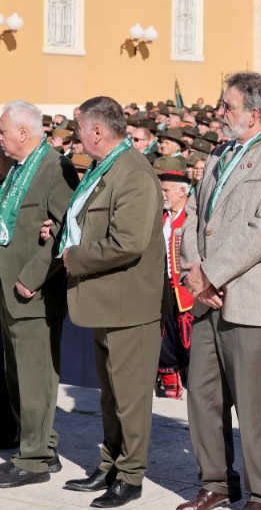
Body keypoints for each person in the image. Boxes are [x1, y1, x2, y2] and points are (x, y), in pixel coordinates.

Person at [178, 72, 261, 510]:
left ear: (254, 114)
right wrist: (196, 273)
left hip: (247, 298)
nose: (220, 112)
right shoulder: (219, 154)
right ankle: (215, 482)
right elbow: (193, 213)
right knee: (203, 395)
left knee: (253, 405)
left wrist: (211, 274)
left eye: (227, 106)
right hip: (207, 295)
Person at [58, 96, 165, 508]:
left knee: (130, 394)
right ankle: (110, 465)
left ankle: (131, 474)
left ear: (98, 131)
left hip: (128, 304)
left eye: (80, 129)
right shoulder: (108, 166)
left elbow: (129, 241)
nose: (77, 138)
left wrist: (75, 256)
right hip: (106, 300)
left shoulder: (133, 172)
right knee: (110, 394)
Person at [0, 101, 78, 488]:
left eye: (3, 132)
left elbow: (66, 230)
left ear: (23, 133)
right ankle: (37, 442)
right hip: (9, 289)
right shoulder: (16, 169)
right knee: (19, 376)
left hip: (33, 291)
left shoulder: (54, 166)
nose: (0, 139)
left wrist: (32, 277)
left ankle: (33, 461)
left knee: (35, 377)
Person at [157, 170, 194, 399]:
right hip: (163, 293)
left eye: (166, 190)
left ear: (182, 192)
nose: (163, 194)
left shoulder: (193, 218)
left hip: (187, 294)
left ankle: (194, 395)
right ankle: (172, 392)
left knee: (189, 345)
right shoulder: (161, 217)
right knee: (165, 344)